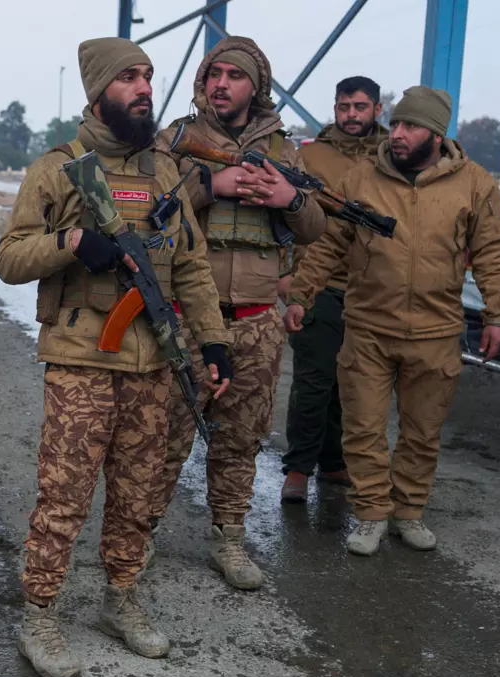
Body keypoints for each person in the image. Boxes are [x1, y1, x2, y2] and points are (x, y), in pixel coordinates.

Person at [0, 38, 231, 677]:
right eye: (129, 77)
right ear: (99, 90)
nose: (143, 87)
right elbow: (10, 258)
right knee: (64, 494)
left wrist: (213, 341)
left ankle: (121, 599)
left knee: (137, 493)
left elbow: (191, 266)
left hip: (155, 361)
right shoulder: (58, 167)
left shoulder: (165, 172)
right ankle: (40, 611)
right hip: (80, 361)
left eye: (148, 76)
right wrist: (73, 242)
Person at [285, 86, 500, 556]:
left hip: (437, 331)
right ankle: (370, 514)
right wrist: (301, 294)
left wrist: (499, 315)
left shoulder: (475, 183)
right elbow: (329, 242)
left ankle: (408, 512)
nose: (399, 135)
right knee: (363, 428)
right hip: (368, 325)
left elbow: (492, 251)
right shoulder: (361, 178)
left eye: (412, 128)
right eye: (400, 125)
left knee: (422, 431)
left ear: (436, 134)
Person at [150, 36, 326, 590]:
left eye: (234, 75)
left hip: (256, 319)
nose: (220, 83)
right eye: (213, 73)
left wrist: (289, 200)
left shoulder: (284, 149)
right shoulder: (175, 140)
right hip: (185, 316)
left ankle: (229, 538)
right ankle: (138, 534)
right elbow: (145, 211)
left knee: (242, 437)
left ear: (256, 87)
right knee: (165, 435)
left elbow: (316, 229)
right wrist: (210, 184)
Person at [279, 76, 387, 503]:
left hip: (370, 286)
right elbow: (287, 216)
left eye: (360, 107)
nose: (351, 115)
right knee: (313, 380)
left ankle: (335, 462)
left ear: (377, 109)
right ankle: (298, 469)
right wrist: (287, 275)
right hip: (317, 283)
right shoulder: (312, 157)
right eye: (344, 107)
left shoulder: (390, 158)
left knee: (353, 384)